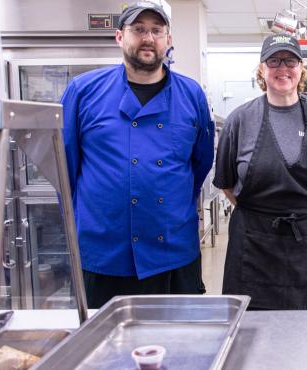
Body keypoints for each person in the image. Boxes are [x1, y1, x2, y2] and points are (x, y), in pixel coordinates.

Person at [61, 2, 214, 308]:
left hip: (172, 250)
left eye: (157, 30)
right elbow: (65, 170)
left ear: (168, 40)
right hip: (104, 252)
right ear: (120, 37)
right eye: (139, 29)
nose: (148, 38)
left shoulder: (191, 94)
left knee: (180, 345)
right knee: (103, 348)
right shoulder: (83, 91)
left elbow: (200, 163)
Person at [213, 34, 307, 309]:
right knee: (255, 338)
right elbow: (227, 184)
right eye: (274, 61)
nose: (282, 68)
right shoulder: (240, 120)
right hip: (255, 247)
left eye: (290, 61)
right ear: (262, 69)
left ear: (301, 69)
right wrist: (263, 215)